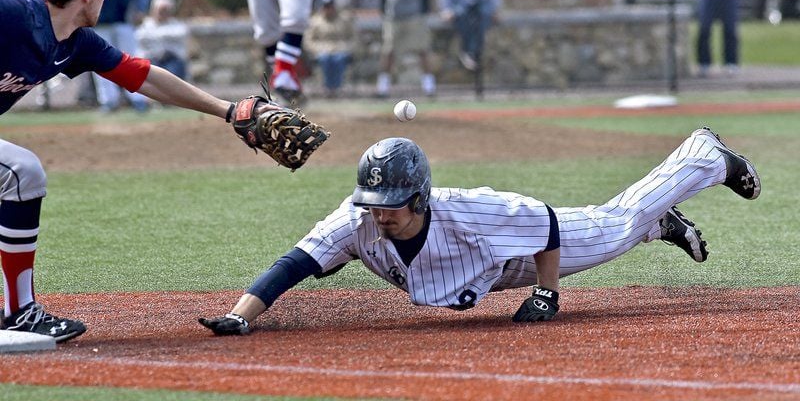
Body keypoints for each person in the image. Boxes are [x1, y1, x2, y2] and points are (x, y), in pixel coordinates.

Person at [199, 127, 761, 334]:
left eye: (392, 204)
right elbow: (293, 263)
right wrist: (240, 317)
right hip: (486, 271)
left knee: (612, 226)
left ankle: (703, 156)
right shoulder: (358, 221)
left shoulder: (468, 210)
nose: (380, 214)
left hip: (523, 250)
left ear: (419, 197)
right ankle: (657, 221)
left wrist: (547, 293)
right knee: (623, 225)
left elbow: (542, 226)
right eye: (373, 204)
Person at [0, 0, 257, 343]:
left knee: (20, 175)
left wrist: (227, 110)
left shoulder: (74, 43)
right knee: (21, 171)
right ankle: (19, 311)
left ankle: (17, 309)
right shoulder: (12, 14)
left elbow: (143, 76)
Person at [305, 0, 354, 98]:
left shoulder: (344, 19)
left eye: (330, 6)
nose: (328, 9)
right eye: (326, 6)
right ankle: (326, 89)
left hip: (341, 50)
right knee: (325, 59)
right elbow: (308, 41)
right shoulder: (315, 21)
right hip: (322, 51)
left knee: (339, 59)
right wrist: (320, 48)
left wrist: (345, 47)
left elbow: (354, 38)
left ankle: (337, 89)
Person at [136, 0, 189, 79]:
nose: (163, 13)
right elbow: (140, 37)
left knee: (171, 75)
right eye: (160, 10)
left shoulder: (177, 25)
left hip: (172, 60)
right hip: (151, 59)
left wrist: (155, 36)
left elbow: (180, 34)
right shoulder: (146, 25)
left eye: (166, 10)